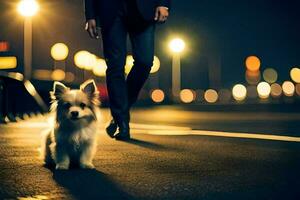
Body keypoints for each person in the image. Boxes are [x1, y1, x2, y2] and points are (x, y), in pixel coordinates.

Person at [84, 0, 170, 140]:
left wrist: (164, 3)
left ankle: (120, 110)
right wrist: (90, 15)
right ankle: (122, 123)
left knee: (145, 62)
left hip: (144, 9)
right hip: (110, 10)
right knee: (115, 66)